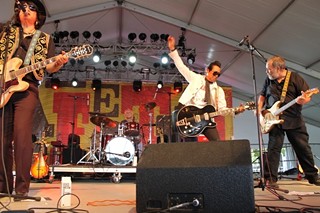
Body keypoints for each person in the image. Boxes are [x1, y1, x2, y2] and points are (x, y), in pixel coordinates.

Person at [0, 0, 68, 197]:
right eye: (23, 8)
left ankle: (21, 189)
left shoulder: (44, 39)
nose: (26, 11)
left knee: (22, 138)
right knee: (2, 140)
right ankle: (3, 187)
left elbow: (49, 67)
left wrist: (59, 63)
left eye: (31, 8)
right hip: (3, 89)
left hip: (26, 89)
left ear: (38, 16)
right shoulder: (6, 33)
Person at [258, 55, 320, 187]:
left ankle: (313, 176)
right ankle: (270, 179)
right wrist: (259, 113)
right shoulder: (268, 80)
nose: (267, 72)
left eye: (269, 69)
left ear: (279, 69)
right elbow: (262, 96)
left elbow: (306, 97)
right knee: (273, 149)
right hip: (273, 120)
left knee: (303, 148)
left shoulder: (295, 78)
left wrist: (303, 100)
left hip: (294, 119)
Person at [167, 35, 243, 142]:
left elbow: (222, 110)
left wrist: (236, 111)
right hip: (190, 116)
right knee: (190, 147)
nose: (216, 76)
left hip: (207, 120)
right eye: (214, 73)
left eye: (218, 74)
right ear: (208, 70)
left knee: (217, 143)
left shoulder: (219, 90)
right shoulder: (196, 79)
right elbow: (182, 67)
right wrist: (173, 50)